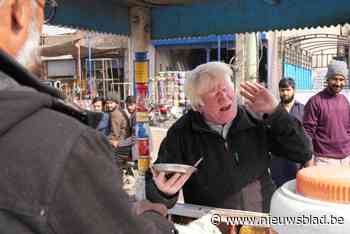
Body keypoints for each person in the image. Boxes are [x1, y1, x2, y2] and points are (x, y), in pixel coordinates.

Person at [0, 1, 222, 233]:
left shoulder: (259, 121)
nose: (223, 98)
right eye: (45, 5)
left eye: (225, 90)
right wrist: (155, 213)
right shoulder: (62, 146)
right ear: (20, 10)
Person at [146, 62, 311, 220]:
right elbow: (157, 181)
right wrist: (163, 193)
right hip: (212, 225)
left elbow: (303, 151)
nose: (223, 96)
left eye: (225, 88)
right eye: (213, 92)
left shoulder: (256, 119)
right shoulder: (182, 132)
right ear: (199, 105)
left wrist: (277, 112)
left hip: (260, 221)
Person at [304, 59, 350, 166]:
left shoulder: (344, 100)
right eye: (334, 79)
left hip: (346, 159)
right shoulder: (315, 101)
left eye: (342, 79)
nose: (338, 83)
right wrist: (308, 160)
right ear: (328, 78)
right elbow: (307, 133)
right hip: (323, 160)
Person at [270, 78, 305, 187]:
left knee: (296, 190)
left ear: (294, 90)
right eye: (282, 90)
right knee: (279, 190)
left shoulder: (303, 109)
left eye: (288, 90)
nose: (285, 93)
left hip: (297, 161)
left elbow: (307, 135)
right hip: (278, 161)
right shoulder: (273, 110)